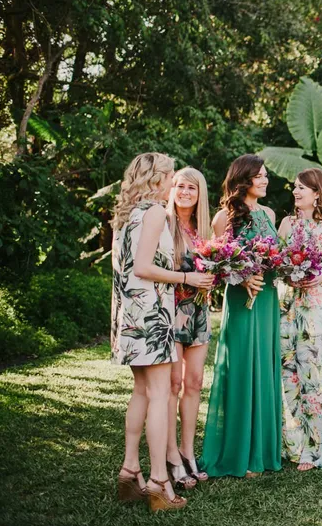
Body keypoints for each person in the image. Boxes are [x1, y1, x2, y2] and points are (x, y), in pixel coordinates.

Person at [111, 152, 213, 511]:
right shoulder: (155, 212)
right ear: (156, 178)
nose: (173, 182)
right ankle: (158, 482)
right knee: (157, 395)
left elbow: (122, 268)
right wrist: (188, 277)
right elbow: (142, 267)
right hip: (152, 316)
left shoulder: (126, 214)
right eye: (170, 176)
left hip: (130, 315)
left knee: (141, 392)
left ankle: (129, 471)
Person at [200, 154, 283, 478]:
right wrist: (243, 276)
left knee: (263, 366)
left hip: (267, 300)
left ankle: (261, 450)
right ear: (244, 179)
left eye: (265, 176)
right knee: (241, 368)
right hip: (241, 300)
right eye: (259, 176)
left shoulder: (270, 213)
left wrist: (278, 267)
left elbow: (275, 255)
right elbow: (215, 264)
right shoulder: (225, 217)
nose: (265, 181)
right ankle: (238, 452)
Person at [276, 168, 322, 470]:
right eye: (295, 187)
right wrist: (286, 272)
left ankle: (319, 446)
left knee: (314, 371)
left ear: (317, 193)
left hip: (314, 303)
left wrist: (313, 277)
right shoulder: (286, 223)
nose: (296, 192)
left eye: (302, 188)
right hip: (285, 302)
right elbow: (276, 259)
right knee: (286, 370)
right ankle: (291, 443)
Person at [165, 167, 213, 489]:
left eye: (191, 188)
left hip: (198, 311)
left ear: (200, 195)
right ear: (172, 188)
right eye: (180, 186)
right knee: (172, 382)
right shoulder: (164, 224)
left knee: (194, 382)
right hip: (169, 311)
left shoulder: (204, 229)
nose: (184, 192)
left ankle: (187, 451)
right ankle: (169, 455)